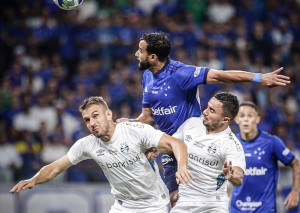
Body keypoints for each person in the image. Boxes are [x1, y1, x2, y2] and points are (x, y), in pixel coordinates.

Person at [117, 32, 290, 206]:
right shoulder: (147, 75)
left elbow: (221, 75)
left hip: (195, 145)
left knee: (190, 199)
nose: (136, 54)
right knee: (174, 199)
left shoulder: (181, 73)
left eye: (140, 50)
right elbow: (148, 117)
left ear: (153, 57)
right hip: (168, 147)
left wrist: (259, 78)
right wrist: (131, 123)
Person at [10, 96, 193, 213]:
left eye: (96, 116)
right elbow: (56, 167)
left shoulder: (134, 131)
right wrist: (33, 179)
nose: (91, 123)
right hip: (122, 206)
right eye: (87, 120)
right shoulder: (87, 144)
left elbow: (176, 143)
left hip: (153, 205)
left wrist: (182, 167)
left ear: (109, 114)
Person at [167, 92, 245, 213]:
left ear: (225, 119)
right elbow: (170, 144)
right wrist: (154, 148)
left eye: (212, 111)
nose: (205, 111)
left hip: (213, 204)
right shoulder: (192, 124)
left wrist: (231, 174)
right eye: (208, 107)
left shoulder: (231, 144)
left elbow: (239, 176)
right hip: (185, 201)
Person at [230, 101, 300, 212]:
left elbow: (295, 163)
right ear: (236, 119)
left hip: (264, 209)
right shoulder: (230, 143)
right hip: (237, 209)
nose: (246, 119)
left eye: (250, 115)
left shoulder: (271, 142)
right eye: (242, 116)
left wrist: (295, 192)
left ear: (257, 119)